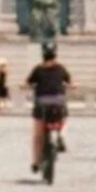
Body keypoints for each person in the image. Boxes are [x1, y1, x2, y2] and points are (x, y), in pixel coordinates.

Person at [27, 40, 71, 173]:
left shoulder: (38, 69)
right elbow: (70, 82)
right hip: (58, 102)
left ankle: (36, 162)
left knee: (37, 134)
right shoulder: (61, 68)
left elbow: (28, 83)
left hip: (41, 103)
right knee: (64, 117)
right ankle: (61, 135)